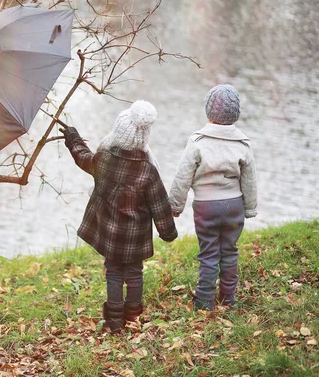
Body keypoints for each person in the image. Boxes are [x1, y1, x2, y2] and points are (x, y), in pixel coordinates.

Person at [61, 100, 178, 333]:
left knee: (113, 273)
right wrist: (168, 233)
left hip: (110, 234)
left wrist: (73, 139)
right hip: (134, 237)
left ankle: (114, 322)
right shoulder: (147, 169)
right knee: (134, 274)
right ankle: (133, 318)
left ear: (118, 133)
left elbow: (83, 158)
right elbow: (160, 205)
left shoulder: (104, 159)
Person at [169, 84, 258, 311]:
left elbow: (183, 176)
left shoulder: (198, 142)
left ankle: (204, 300)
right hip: (234, 205)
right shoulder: (243, 144)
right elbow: (249, 180)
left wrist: (175, 205)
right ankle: (228, 298)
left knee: (209, 252)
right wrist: (249, 208)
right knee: (229, 251)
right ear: (235, 114)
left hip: (206, 206)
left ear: (209, 112)